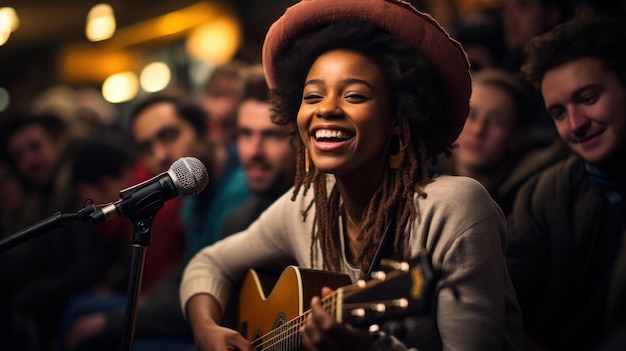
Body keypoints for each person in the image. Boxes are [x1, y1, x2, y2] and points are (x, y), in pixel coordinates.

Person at [180, 1, 523, 350]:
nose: (326, 109)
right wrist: (206, 328)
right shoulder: (306, 207)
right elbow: (208, 263)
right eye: (312, 96)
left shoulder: (455, 209)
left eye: (355, 95)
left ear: (397, 117)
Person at [62, 93, 250, 351]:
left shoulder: (241, 188)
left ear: (209, 130)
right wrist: (146, 300)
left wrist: (112, 323)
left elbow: (220, 297)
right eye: (147, 148)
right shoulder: (194, 191)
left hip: (222, 318)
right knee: (80, 308)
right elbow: (188, 267)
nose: (161, 156)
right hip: (190, 302)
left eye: (169, 136)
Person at [505, 14, 626, 350]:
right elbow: (511, 310)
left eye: (588, 98)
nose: (575, 124)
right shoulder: (542, 196)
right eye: (558, 113)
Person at [219, 64, 297, 237]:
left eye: (272, 135)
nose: (254, 152)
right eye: (246, 134)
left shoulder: (323, 222)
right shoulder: (236, 225)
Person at [445, 68, 529, 215]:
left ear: (516, 138)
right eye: (471, 115)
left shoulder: (525, 205)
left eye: (496, 121)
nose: (479, 130)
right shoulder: (421, 185)